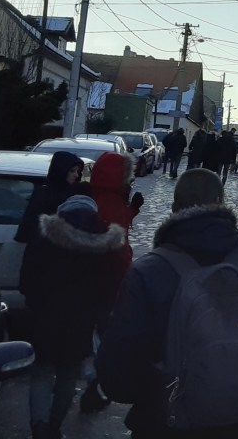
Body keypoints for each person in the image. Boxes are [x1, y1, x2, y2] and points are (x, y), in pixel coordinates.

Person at [97, 168, 238, 439]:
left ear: (174, 208)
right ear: (221, 203)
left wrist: (157, 392)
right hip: (231, 423)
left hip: (160, 420)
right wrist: (232, 379)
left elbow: (117, 367)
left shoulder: (148, 271)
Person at [22, 195, 125, 439]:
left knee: (42, 371)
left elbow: (26, 281)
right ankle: (54, 425)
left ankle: (39, 426)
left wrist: (35, 306)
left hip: (45, 318)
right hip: (81, 323)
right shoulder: (104, 246)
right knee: (68, 374)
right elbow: (110, 289)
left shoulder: (44, 238)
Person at [80, 152, 144, 412]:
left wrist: (133, 210)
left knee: (94, 333)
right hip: (107, 279)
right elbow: (118, 240)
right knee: (102, 335)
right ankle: (92, 386)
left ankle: (90, 385)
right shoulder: (110, 201)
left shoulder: (98, 198)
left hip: (92, 279)